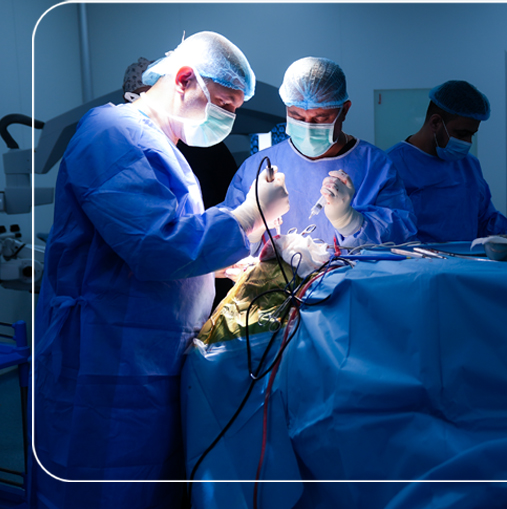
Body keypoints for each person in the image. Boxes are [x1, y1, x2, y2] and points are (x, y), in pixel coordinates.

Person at [34, 31, 289, 509]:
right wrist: (250, 216)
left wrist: (217, 266)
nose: (228, 119)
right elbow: (155, 245)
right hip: (105, 362)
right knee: (102, 488)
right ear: (185, 78)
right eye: (224, 105)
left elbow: (159, 241)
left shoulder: (162, 145)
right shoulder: (112, 133)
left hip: (147, 358)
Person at [224, 56, 417, 248]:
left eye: (321, 118)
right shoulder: (256, 168)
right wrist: (253, 232)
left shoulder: (375, 165)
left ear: (344, 110)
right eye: (297, 116)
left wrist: (349, 221)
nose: (308, 127)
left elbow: (403, 235)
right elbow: (225, 241)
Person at [124, 57, 240, 309]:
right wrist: (247, 218)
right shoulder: (119, 141)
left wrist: (216, 257)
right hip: (133, 311)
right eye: (224, 102)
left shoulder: (202, 145)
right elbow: (151, 249)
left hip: (194, 285)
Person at [387, 80, 507, 243]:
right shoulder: (392, 165)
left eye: (472, 134)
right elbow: (391, 233)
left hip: (466, 258)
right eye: (462, 134)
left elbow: (487, 221)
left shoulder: (469, 165)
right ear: (435, 123)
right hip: (416, 259)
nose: (468, 142)